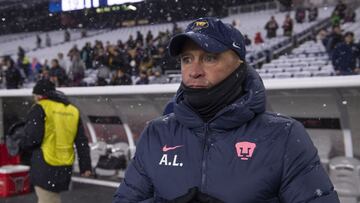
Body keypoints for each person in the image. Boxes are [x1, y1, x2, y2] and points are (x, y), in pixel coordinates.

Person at [113, 17, 340, 202]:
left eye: (209, 58)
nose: (194, 71)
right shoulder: (156, 133)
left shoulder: (284, 136)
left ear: (239, 65)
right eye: (186, 59)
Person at [19, 79, 92, 203]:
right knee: (51, 197)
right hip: (65, 165)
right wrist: (85, 166)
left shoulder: (40, 108)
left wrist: (20, 145)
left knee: (48, 199)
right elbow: (81, 141)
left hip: (45, 164)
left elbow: (32, 139)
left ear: (39, 95)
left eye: (35, 96)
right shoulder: (72, 110)